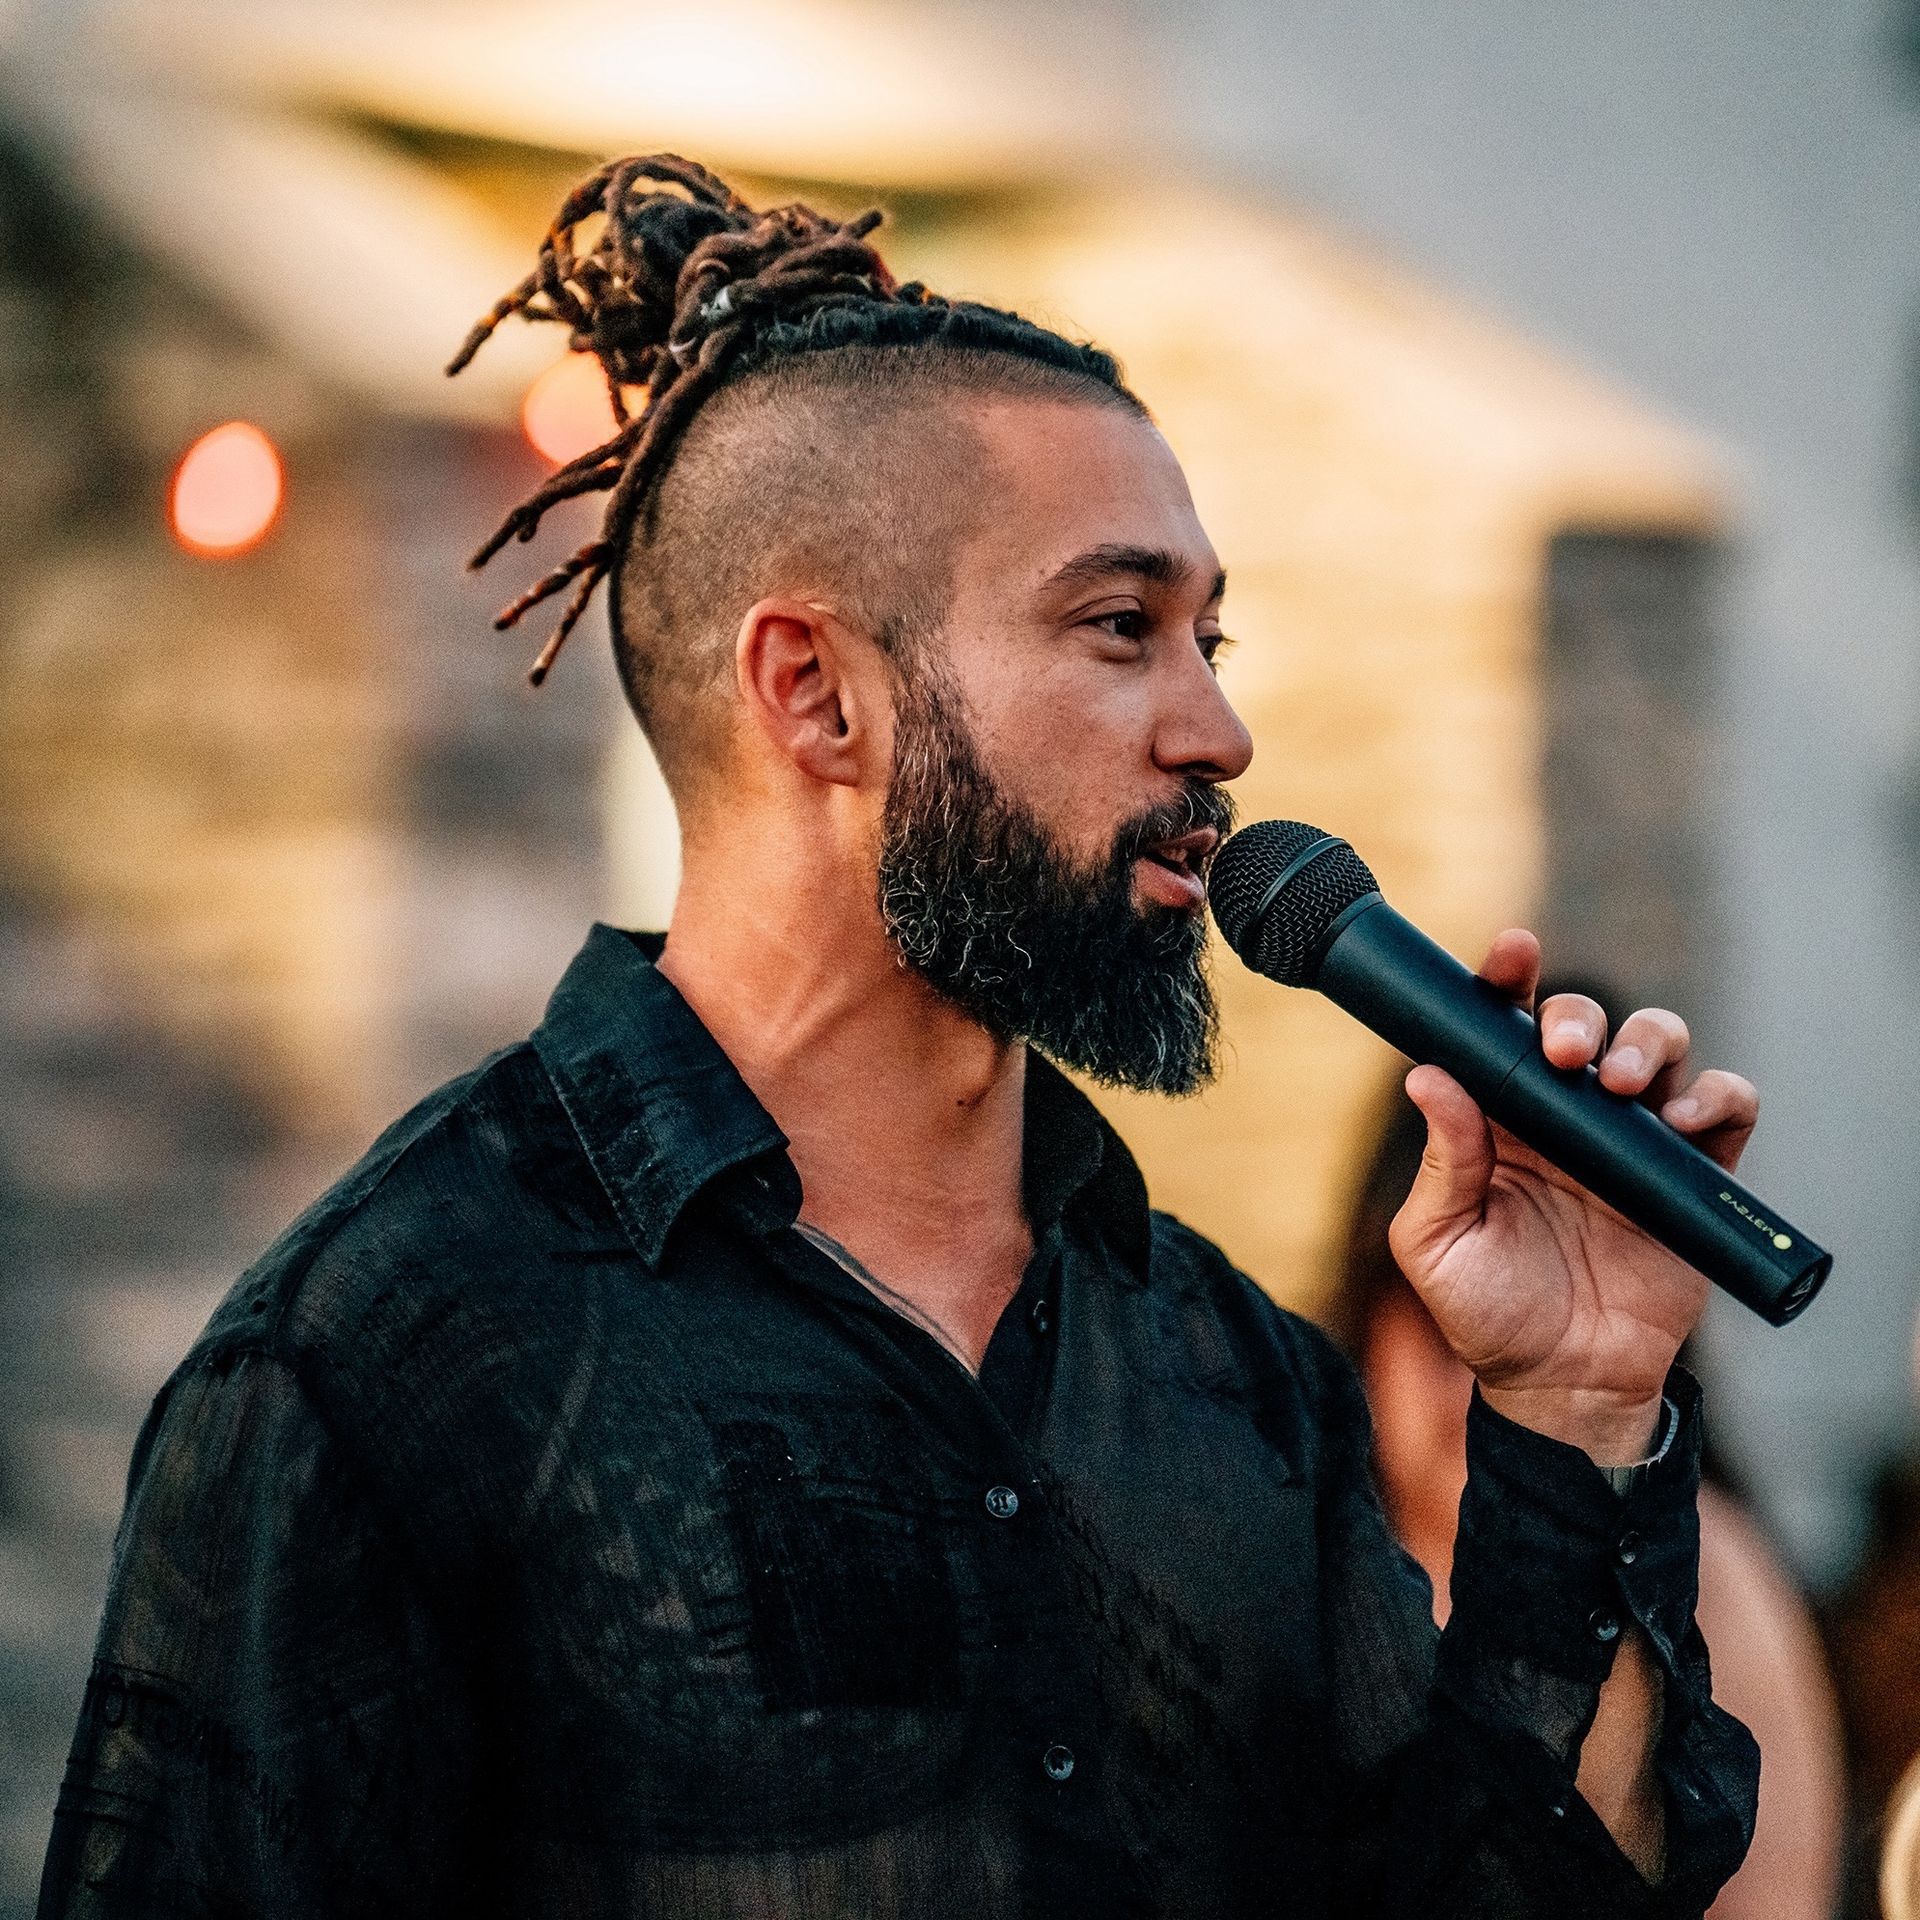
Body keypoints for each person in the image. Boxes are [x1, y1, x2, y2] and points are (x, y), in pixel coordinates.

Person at [39, 155, 1762, 1918]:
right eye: (1121, 627)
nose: (1221, 728)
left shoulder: (1232, 1378)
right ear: (817, 692)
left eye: (1209, 633)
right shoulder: (388, 1361)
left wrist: (1580, 1402)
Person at [1331, 1072, 1845, 1920]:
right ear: (1370, 1306)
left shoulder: (1707, 1574)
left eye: (1544, 1309)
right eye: (1442, 1324)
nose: (1490, 1377)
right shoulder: (1297, 1545)